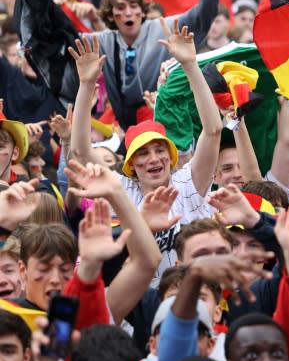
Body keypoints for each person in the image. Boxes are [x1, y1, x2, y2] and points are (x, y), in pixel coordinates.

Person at [69, 19, 222, 282]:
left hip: (199, 291)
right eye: (143, 153)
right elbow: (81, 152)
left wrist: (189, 65)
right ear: (131, 164)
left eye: (159, 150)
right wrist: (85, 86)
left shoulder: (188, 182)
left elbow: (213, 130)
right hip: (142, 304)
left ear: (170, 156)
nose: (153, 159)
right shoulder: (122, 190)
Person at [88, 0, 220, 129]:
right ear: (110, 15)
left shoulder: (164, 28)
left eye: (134, 6)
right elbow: (64, 40)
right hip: (125, 127)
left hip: (165, 122)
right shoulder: (105, 40)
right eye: (120, 8)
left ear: (142, 11)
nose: (128, 13)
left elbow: (204, 13)